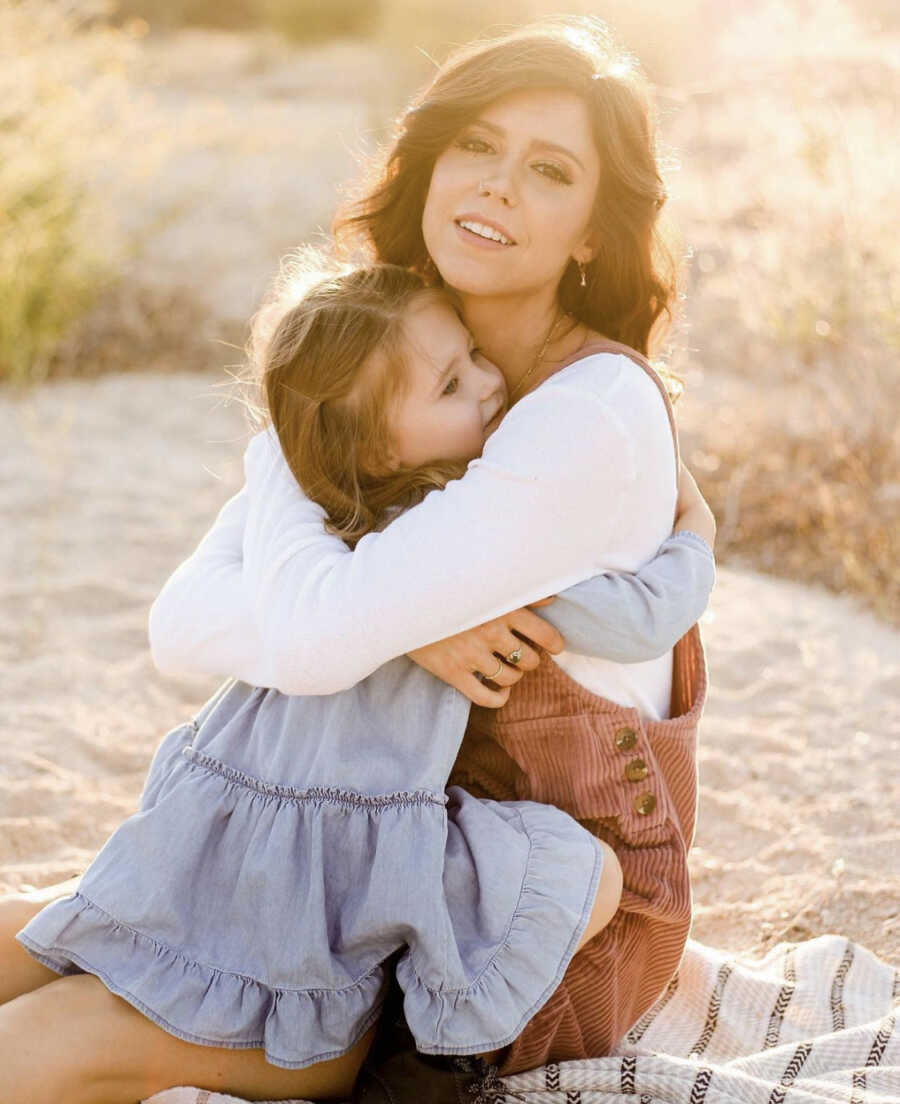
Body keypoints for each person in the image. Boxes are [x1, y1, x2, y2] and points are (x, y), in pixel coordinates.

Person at [143, 16, 714, 1085]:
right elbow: (180, 624)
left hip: (534, 928)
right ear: (431, 158)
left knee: (71, 1033)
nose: (496, 186)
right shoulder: (416, 361)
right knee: (69, 932)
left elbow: (310, 639)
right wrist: (400, 622)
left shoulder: (580, 416)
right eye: (476, 147)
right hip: (382, 850)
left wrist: (292, 446)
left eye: (549, 171)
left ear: (594, 231)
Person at [1, 261, 714, 1104]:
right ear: (377, 443)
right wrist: (694, 530)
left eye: (475, 355)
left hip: (231, 827)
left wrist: (281, 460)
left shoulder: (311, 520)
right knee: (573, 875)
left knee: (72, 938)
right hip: (331, 853)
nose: (492, 384)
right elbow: (634, 618)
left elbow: (272, 612)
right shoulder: (452, 539)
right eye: (453, 383)